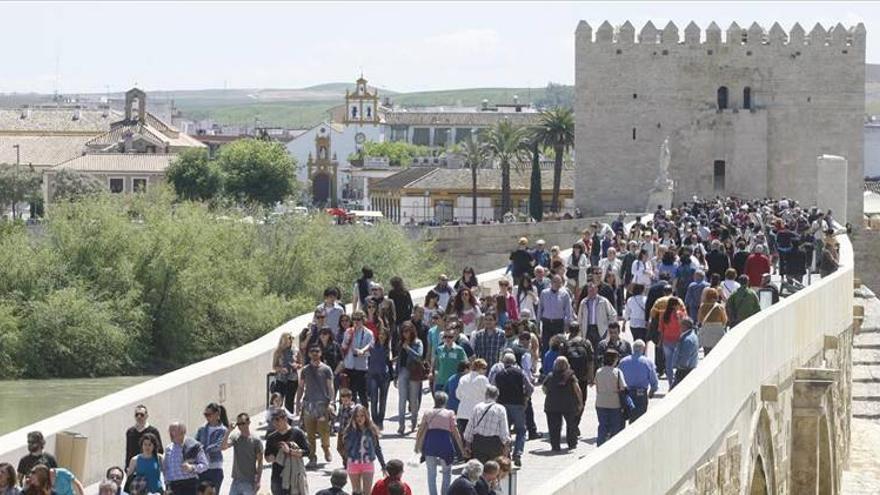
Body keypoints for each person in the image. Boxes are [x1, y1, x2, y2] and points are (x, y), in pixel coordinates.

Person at [415, 392, 466, 495]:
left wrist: (417, 445)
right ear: (445, 402)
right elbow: (456, 433)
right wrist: (462, 449)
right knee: (447, 473)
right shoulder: (450, 413)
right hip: (445, 445)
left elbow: (420, 430)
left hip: (430, 445)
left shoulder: (427, 413)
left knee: (431, 474)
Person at [296, 345, 335, 467]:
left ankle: (326, 448)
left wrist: (332, 402)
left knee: (324, 431)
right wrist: (297, 402)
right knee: (310, 433)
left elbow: (330, 386)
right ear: (309, 354)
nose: (314, 353)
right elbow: (301, 386)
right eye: (312, 351)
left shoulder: (326, 369)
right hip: (308, 405)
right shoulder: (305, 370)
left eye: (317, 351)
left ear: (320, 353)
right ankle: (312, 457)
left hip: (322, 405)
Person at [493, 352, 532, 466]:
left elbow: (493, 389)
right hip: (518, 405)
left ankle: (507, 452)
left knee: (506, 430)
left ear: (503, 363)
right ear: (514, 362)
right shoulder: (520, 373)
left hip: (503, 405)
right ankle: (518, 453)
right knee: (521, 430)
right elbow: (530, 388)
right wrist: (526, 398)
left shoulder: (498, 374)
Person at [342, 405, 386, 495]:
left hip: (367, 463)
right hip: (353, 463)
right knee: (356, 492)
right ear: (353, 418)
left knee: (367, 492)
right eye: (357, 416)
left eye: (362, 416)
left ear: (366, 416)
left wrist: (383, 465)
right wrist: (354, 431)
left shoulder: (371, 430)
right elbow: (347, 447)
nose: (360, 418)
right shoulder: (349, 430)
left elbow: (377, 448)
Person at [264, 409, 310, 495]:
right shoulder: (271, 437)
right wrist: (271, 458)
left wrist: (290, 451)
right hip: (278, 476)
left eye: (277, 420)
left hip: (295, 475)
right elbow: (267, 457)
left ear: (285, 419)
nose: (275, 423)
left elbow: (307, 451)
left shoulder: (297, 433)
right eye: (273, 420)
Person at [543, 356, 583, 451]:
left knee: (553, 427)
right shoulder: (571, 376)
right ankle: (572, 443)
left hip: (552, 405)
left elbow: (544, 389)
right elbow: (577, 390)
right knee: (571, 425)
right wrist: (580, 402)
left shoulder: (550, 376)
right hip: (568, 405)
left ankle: (555, 445)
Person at [463, 386, 510, 464]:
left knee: (480, 470)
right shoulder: (500, 409)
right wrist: (506, 446)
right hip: (494, 444)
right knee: (493, 470)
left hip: (479, 442)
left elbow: (470, 427)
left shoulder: (477, 407)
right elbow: (504, 430)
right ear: (497, 396)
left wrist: (467, 444)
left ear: (486, 395)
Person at [221, 413, 263, 495]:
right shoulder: (235, 437)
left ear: (248, 423)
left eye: (242, 423)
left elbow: (260, 462)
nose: (240, 426)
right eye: (238, 424)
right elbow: (223, 447)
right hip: (236, 480)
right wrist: (228, 431)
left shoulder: (256, 441)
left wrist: (258, 481)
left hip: (249, 481)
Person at [123, 406, 163, 492]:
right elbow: (128, 450)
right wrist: (127, 467)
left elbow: (160, 450)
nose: (139, 417)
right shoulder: (130, 431)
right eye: (137, 414)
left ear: (147, 416)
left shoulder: (153, 431)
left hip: (151, 465)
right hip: (135, 467)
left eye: (141, 414)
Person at [617, 340, 658, 423]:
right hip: (641, 394)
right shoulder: (647, 362)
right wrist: (652, 391)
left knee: (623, 417)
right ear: (643, 349)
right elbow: (653, 379)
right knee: (639, 420)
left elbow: (617, 378)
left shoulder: (623, 362)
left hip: (626, 393)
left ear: (633, 349)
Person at [395, 321, 425, 435]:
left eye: (408, 331)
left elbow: (419, 357)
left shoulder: (418, 342)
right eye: (403, 331)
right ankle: (401, 425)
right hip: (403, 371)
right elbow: (399, 360)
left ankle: (413, 422)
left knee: (413, 399)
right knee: (402, 399)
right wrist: (395, 375)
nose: (405, 334)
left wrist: (408, 348)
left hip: (414, 372)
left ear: (412, 331)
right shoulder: (401, 342)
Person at [163, 422, 208, 495]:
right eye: (169, 430)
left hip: (189, 485)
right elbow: (166, 468)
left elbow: (205, 465)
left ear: (182, 432)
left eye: (173, 430)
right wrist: (167, 483)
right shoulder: (168, 448)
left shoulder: (193, 446)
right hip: (173, 486)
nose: (170, 433)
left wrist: (192, 467)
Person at [342, 310, 375, 406]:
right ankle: (351, 414)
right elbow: (343, 346)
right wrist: (347, 339)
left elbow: (370, 344)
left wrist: (362, 351)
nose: (356, 321)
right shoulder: (349, 331)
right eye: (354, 319)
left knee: (362, 393)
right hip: (350, 365)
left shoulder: (368, 333)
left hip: (361, 366)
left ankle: (365, 415)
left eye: (358, 319)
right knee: (350, 393)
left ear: (363, 320)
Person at [594, 349, 626, 446]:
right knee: (615, 426)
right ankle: (613, 446)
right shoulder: (617, 372)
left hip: (600, 402)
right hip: (614, 403)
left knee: (602, 425)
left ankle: (600, 445)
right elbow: (623, 387)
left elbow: (597, 385)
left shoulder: (598, 371)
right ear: (615, 360)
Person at [196, 403, 228, 491]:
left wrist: (204, 449)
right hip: (202, 467)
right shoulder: (201, 429)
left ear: (217, 414)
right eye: (205, 414)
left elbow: (219, 445)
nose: (206, 417)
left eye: (208, 414)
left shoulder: (223, 430)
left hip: (215, 468)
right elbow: (195, 444)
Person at [537, 275, 573, 353]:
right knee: (546, 345)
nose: (558, 284)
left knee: (559, 345)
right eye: (556, 282)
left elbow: (568, 311)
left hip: (558, 323)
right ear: (551, 282)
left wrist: (568, 324)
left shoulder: (565, 294)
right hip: (547, 323)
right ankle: (545, 363)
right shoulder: (544, 293)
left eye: (560, 282)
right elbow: (540, 308)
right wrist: (538, 323)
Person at [577, 282, 617, 350]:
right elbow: (580, 317)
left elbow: (613, 314)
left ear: (597, 290)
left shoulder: (603, 301)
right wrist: (580, 329)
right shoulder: (583, 302)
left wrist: (608, 326)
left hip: (600, 329)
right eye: (590, 290)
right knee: (588, 349)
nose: (591, 292)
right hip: (587, 329)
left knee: (600, 349)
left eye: (593, 290)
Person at [456, 359, 490, 437]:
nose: (485, 371)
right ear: (479, 368)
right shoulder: (482, 379)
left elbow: (458, 395)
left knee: (463, 438)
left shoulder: (463, 378)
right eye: (484, 368)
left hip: (463, 412)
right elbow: (488, 394)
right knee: (475, 439)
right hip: (477, 413)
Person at [367, 329, 393, 429]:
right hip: (373, 375)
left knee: (383, 400)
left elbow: (390, 361)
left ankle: (380, 421)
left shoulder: (388, 348)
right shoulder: (372, 346)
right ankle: (374, 420)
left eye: (384, 335)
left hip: (384, 376)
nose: (382, 336)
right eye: (380, 334)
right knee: (373, 400)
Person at [658, 297, 685, 388]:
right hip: (678, 341)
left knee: (668, 363)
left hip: (667, 341)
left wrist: (660, 341)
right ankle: (678, 382)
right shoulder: (680, 315)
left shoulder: (663, 315)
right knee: (679, 363)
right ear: (674, 305)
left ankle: (671, 383)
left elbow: (661, 330)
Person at [432, 329, 468, 394]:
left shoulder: (459, 350)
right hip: (440, 382)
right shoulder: (439, 349)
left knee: (451, 403)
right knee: (440, 403)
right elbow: (436, 364)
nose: (447, 339)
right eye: (445, 337)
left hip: (454, 382)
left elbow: (465, 365)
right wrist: (435, 376)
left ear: (454, 338)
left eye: (450, 337)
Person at [272, 332, 300, 414]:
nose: (290, 341)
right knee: (278, 400)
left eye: (291, 339)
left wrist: (296, 365)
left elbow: (300, 363)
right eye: (289, 338)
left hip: (292, 378)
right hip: (281, 378)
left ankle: (289, 421)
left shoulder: (295, 350)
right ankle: (277, 419)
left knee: (289, 401)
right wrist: (281, 369)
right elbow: (274, 366)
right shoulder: (278, 351)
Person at [697, 288, 728, 355]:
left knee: (707, 354)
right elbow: (725, 320)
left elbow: (699, 320)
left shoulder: (702, 307)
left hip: (706, 333)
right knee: (718, 354)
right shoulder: (720, 307)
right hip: (718, 333)